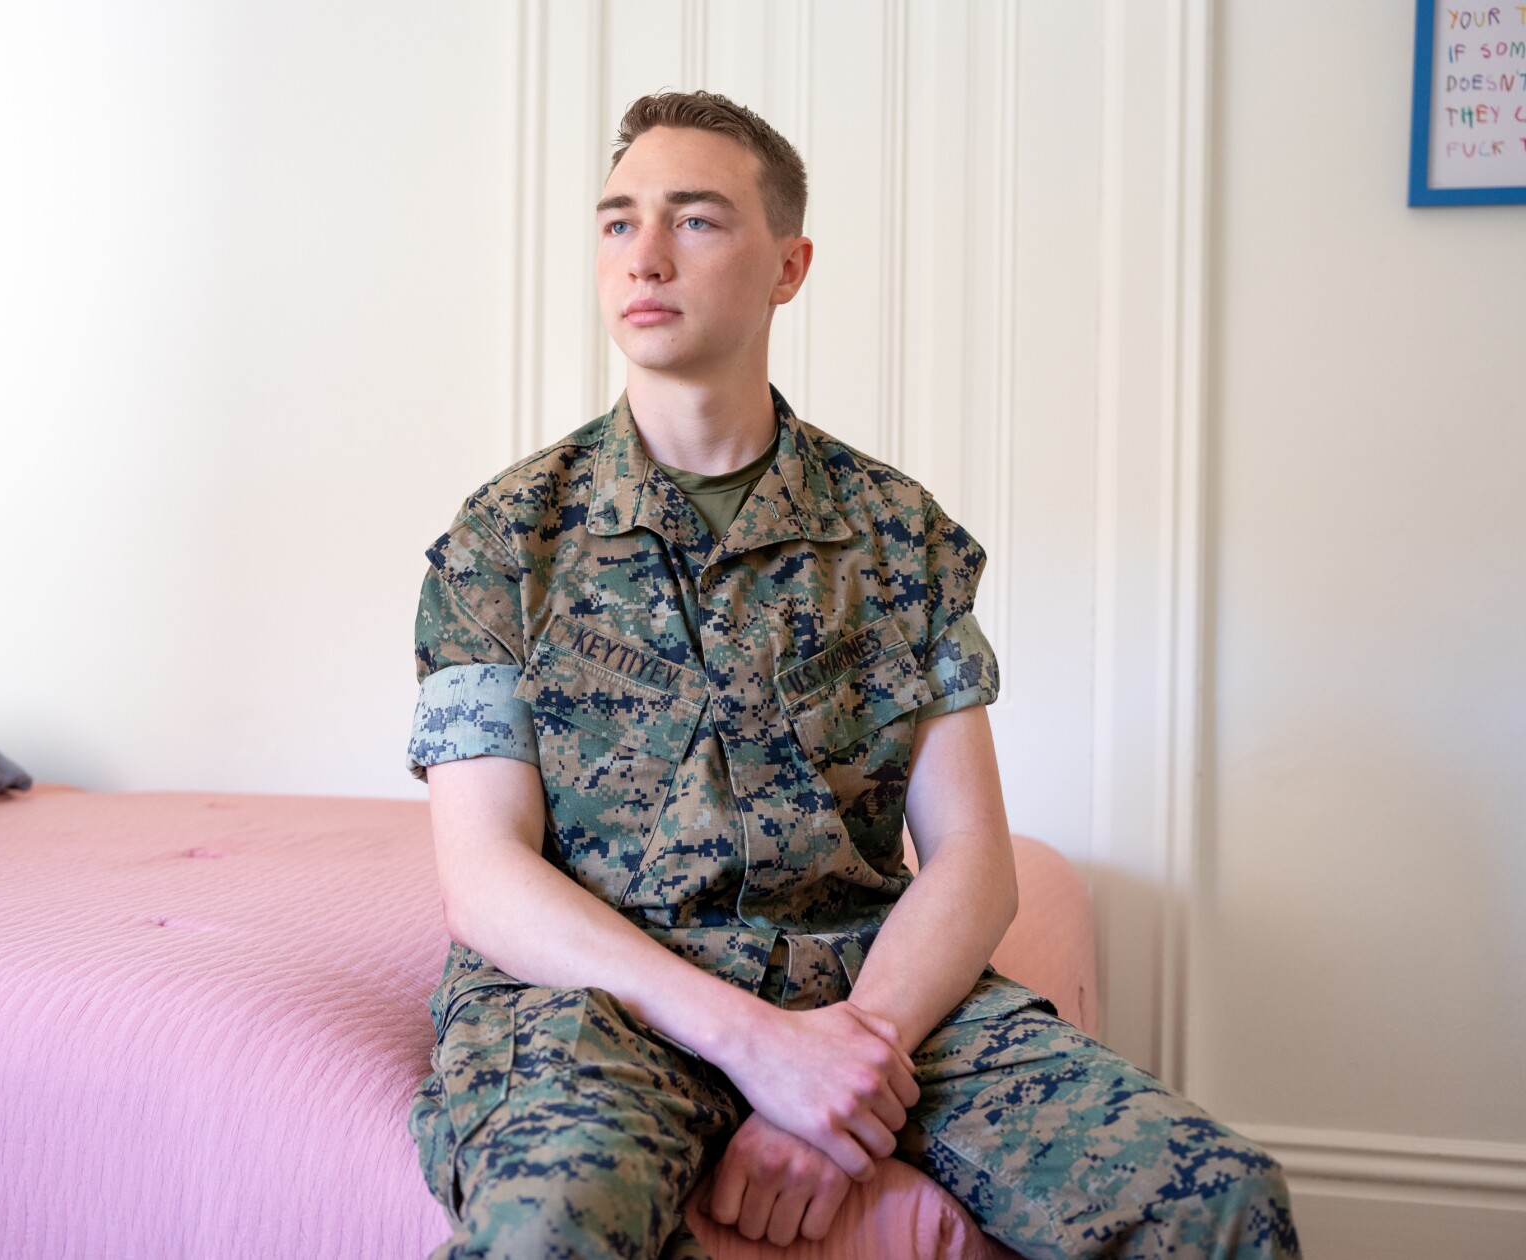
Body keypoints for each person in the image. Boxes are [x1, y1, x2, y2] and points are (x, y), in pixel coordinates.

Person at [404, 89, 1301, 1260]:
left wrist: (845, 1063)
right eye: (619, 223)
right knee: (551, 1234)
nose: (647, 256)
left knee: (1221, 1200)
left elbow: (974, 858)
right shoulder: (503, 538)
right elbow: (483, 878)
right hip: (600, 1006)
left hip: (861, 985)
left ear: (790, 265)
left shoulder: (895, 530)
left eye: (698, 220)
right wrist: (754, 1046)